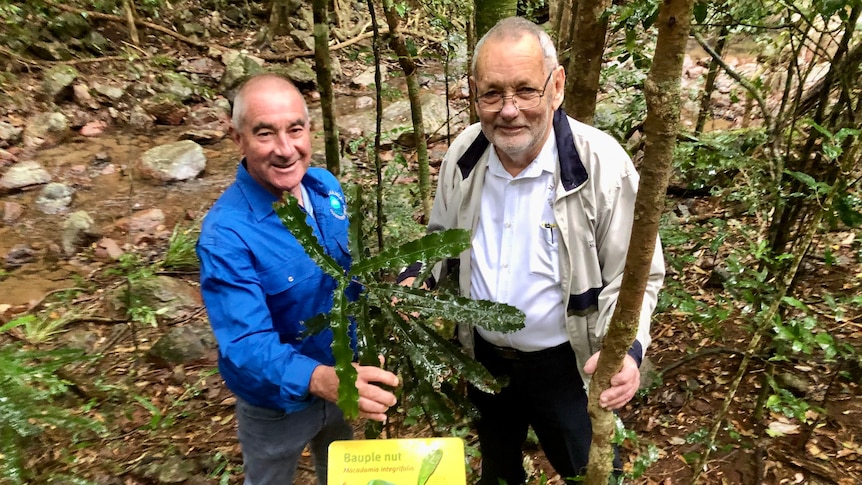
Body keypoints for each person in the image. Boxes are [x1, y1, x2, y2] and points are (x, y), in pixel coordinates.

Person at [399, 17, 664, 484]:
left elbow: (635, 275)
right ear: (473, 91)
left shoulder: (601, 164)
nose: (508, 110)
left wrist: (628, 348)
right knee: (498, 472)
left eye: (525, 90)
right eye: (492, 93)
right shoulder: (465, 154)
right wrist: (409, 283)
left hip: (566, 363)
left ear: (556, 85)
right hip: (483, 358)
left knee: (591, 473)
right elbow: (440, 241)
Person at [197, 73, 400, 485]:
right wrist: (320, 379)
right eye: (265, 133)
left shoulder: (325, 187)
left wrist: (385, 306)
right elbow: (245, 343)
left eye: (295, 129)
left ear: (310, 130)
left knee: (341, 473)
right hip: (277, 404)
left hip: (344, 375)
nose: (285, 149)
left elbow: (348, 276)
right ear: (238, 140)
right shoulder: (226, 235)